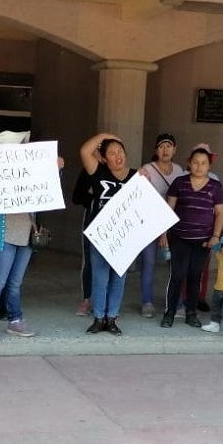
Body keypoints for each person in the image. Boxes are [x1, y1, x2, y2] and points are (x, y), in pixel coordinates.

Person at [0, 130, 57, 345]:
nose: (22, 149)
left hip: (25, 233)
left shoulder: (29, 171)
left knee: (14, 283)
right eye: (18, 146)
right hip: (2, 232)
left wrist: (54, 168)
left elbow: (46, 187)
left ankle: (15, 319)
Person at [159, 146, 223, 329]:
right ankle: (169, 313)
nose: (199, 166)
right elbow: (168, 210)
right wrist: (163, 233)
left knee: (195, 277)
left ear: (209, 166)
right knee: (177, 276)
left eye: (203, 163)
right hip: (179, 238)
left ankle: (191, 313)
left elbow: (220, 213)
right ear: (189, 163)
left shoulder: (215, 186)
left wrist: (216, 236)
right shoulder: (179, 183)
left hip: (202, 241)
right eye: (195, 162)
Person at [79, 132, 137, 335]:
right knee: (100, 278)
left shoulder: (136, 176)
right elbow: (85, 151)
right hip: (101, 236)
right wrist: (103, 135)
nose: (118, 155)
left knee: (118, 278)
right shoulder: (98, 172)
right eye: (112, 152)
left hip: (124, 237)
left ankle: (111, 318)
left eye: (121, 151)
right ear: (104, 158)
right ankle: (98, 317)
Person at [136, 133, 183, 318]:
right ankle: (147, 302)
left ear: (175, 149)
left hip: (172, 224)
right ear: (156, 150)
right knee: (149, 262)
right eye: (162, 146)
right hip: (150, 223)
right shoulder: (147, 168)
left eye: (169, 146)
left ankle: (176, 302)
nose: (165, 150)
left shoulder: (179, 170)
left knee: (175, 264)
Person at [72, 167, 96, 316]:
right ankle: (87, 299)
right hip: (92, 217)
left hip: (116, 219)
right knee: (89, 260)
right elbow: (77, 197)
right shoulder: (89, 170)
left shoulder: (119, 170)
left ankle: (109, 304)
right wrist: (94, 197)